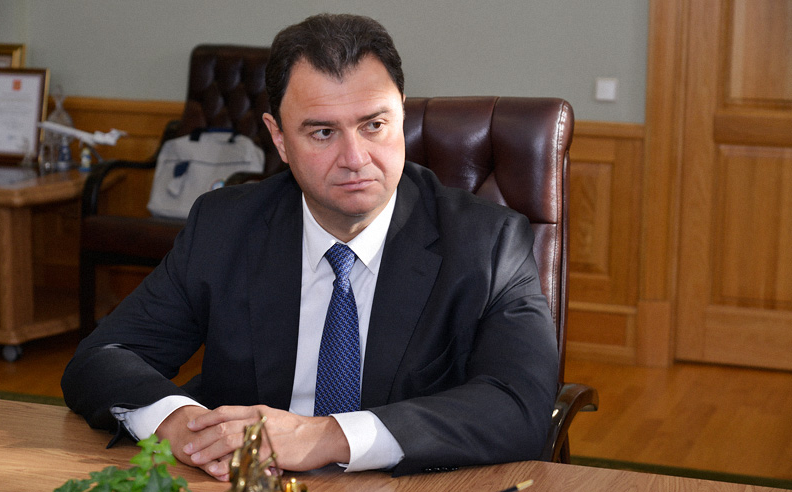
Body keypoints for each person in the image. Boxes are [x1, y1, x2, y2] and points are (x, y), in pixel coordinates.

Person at [61, 13, 558, 481]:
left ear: (401, 114)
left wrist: (326, 436)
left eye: (374, 125)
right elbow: (104, 355)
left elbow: (520, 406)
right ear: (279, 138)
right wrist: (182, 425)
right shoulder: (225, 226)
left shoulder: (487, 244)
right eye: (323, 132)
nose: (355, 158)